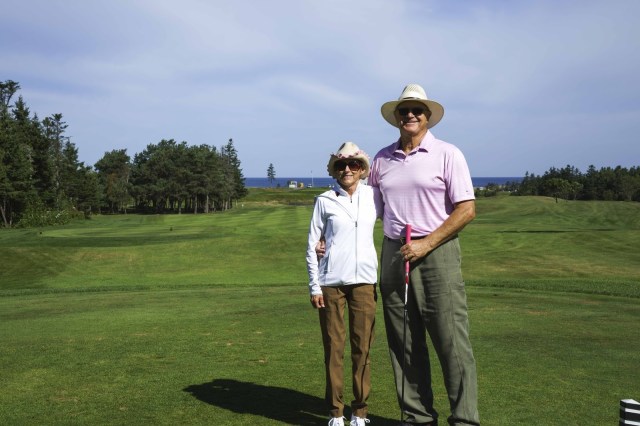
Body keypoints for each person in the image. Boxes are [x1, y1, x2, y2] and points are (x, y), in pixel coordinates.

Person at [369, 84, 480, 426]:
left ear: (428, 116)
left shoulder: (448, 153)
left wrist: (427, 243)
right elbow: (370, 211)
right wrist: (327, 237)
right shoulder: (381, 159)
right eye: (404, 110)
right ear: (396, 117)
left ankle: (464, 419)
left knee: (451, 340)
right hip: (393, 251)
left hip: (437, 252)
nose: (410, 115)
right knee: (404, 342)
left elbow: (466, 209)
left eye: (417, 110)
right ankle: (417, 417)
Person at [306, 142, 379, 426]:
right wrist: (314, 286)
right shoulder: (324, 200)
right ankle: (336, 412)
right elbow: (312, 245)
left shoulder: (374, 195)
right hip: (331, 283)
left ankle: (360, 411)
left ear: (362, 169)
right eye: (341, 165)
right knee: (334, 349)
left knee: (363, 349)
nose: (347, 169)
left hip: (364, 282)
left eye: (353, 164)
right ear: (335, 170)